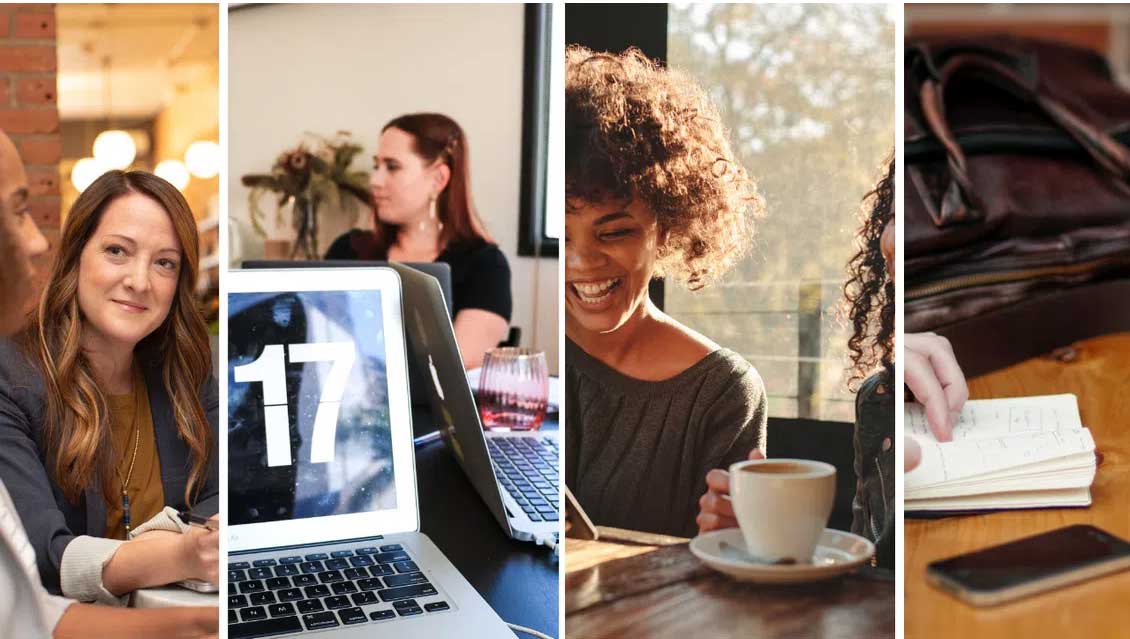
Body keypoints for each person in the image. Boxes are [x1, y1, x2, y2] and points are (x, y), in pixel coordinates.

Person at [695, 157, 969, 567]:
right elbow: (868, 571)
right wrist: (758, 540)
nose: (894, 239)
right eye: (893, 217)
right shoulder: (878, 396)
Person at [0, 132, 216, 637]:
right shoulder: (12, 378)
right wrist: (181, 550)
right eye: (117, 251)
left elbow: (218, 505)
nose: (140, 281)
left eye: (164, 262)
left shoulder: (186, 367)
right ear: (76, 257)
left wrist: (178, 549)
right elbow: (43, 556)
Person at [564, 47, 767, 538]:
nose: (582, 262)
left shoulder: (720, 391)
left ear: (668, 229)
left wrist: (744, 537)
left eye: (614, 233)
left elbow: (728, 564)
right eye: (562, 235)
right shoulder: (537, 361)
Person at [325, 113, 511, 369]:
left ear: (439, 179)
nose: (374, 181)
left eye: (392, 167)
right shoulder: (346, 250)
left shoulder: (485, 266)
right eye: (376, 166)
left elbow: (455, 366)